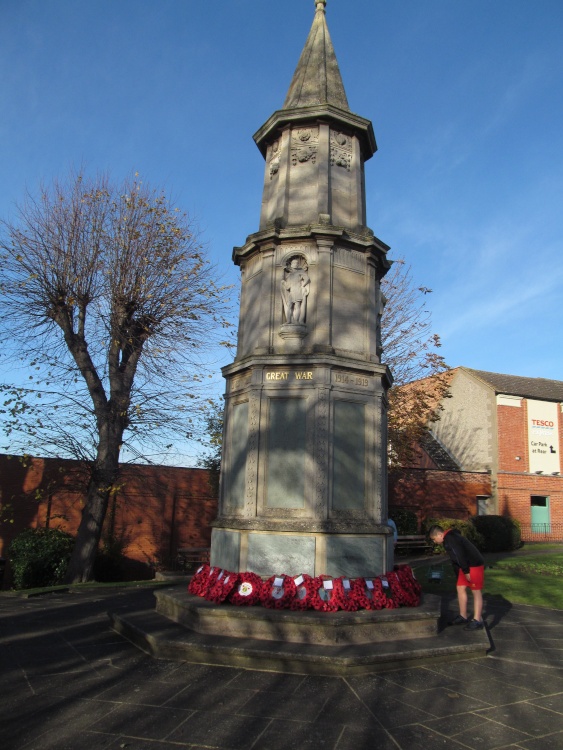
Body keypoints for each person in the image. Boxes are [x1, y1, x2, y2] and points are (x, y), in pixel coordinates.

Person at [428, 524, 485, 630]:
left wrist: (466, 571)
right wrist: (459, 573)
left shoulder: (451, 539)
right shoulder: (449, 539)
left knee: (476, 591)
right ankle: (463, 616)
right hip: (464, 566)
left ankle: (477, 621)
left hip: (474, 564)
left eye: (434, 539)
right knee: (460, 587)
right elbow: (455, 559)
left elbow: (459, 555)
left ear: (440, 535)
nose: (434, 542)